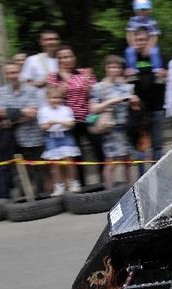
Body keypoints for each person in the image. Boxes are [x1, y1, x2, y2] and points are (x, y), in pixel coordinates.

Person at [47, 45, 99, 182]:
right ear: (57, 60)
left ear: (74, 58)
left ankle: (105, 185)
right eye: (62, 57)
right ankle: (81, 187)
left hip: (88, 118)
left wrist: (83, 83)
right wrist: (66, 80)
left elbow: (93, 93)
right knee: (76, 156)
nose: (66, 60)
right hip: (68, 122)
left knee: (98, 150)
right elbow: (55, 96)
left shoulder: (84, 72)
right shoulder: (53, 77)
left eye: (68, 56)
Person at [0, 61, 45, 196]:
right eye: (9, 73)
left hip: (32, 136)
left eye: (15, 72)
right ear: (5, 75)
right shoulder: (1, 91)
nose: (12, 75)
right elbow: (0, 112)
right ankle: (25, 197)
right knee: (19, 169)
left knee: (37, 168)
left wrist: (11, 116)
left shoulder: (31, 90)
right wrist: (23, 111)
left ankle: (41, 196)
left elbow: (33, 114)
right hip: (12, 138)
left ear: (20, 73)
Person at [90, 55, 140, 189]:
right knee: (110, 162)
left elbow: (136, 109)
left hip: (125, 129)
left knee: (128, 162)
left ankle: (131, 189)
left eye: (117, 67)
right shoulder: (98, 87)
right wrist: (111, 101)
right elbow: (93, 108)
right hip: (110, 129)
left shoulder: (127, 87)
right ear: (105, 68)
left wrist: (135, 101)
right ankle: (109, 191)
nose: (114, 69)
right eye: (110, 66)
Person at [125, 27, 167, 165]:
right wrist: (126, 76)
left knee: (157, 145)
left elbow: (168, 77)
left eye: (143, 39)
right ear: (133, 41)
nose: (140, 42)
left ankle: (158, 174)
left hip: (157, 106)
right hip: (139, 109)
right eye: (137, 40)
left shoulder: (158, 55)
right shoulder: (130, 58)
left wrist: (164, 75)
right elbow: (122, 82)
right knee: (140, 145)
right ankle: (141, 179)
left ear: (149, 40)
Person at [38, 86, 81, 195]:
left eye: (57, 97)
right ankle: (59, 185)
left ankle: (73, 183)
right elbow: (43, 126)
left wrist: (59, 122)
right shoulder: (43, 111)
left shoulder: (66, 109)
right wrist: (50, 124)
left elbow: (71, 123)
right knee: (55, 164)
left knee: (69, 161)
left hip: (66, 136)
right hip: (51, 137)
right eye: (52, 97)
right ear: (47, 98)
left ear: (61, 98)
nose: (55, 100)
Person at [20, 29, 60, 104]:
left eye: (55, 39)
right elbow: (23, 84)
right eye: (48, 40)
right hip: (40, 107)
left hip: (63, 108)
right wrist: (39, 83)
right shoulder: (32, 60)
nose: (52, 42)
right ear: (41, 42)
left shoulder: (65, 60)